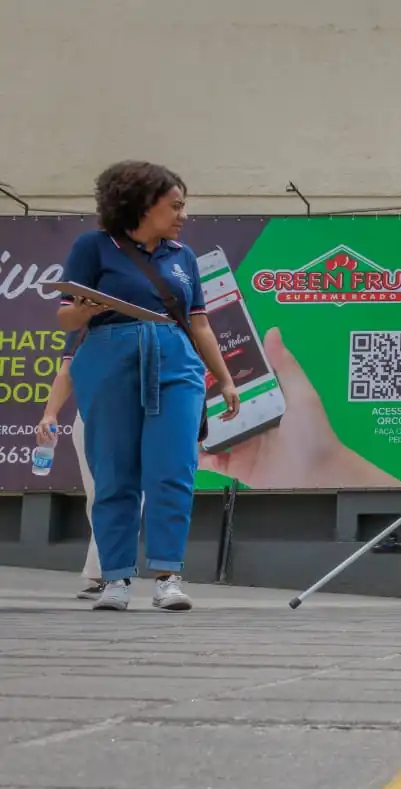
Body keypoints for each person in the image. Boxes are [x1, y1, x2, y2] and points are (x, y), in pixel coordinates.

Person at [56, 161, 240, 612]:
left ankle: (168, 577)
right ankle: (115, 579)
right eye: (174, 206)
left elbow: (199, 324)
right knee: (114, 470)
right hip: (108, 355)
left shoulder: (183, 257)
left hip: (175, 361)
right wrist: (85, 310)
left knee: (173, 468)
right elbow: (66, 316)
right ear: (142, 204)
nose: (182, 215)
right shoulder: (94, 247)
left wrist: (227, 378)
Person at [37, 349, 106, 600]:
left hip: (142, 418)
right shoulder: (85, 324)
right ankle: (102, 574)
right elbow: (67, 371)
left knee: (128, 495)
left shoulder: (154, 318)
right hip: (90, 418)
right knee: (97, 497)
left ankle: (105, 574)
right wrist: (50, 413)